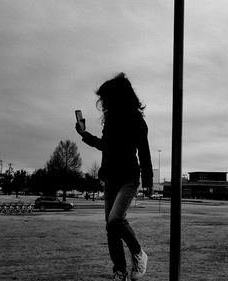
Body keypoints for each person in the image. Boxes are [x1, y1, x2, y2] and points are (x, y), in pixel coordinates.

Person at [76, 73, 153, 281]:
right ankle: (119, 271)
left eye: (107, 98)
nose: (104, 103)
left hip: (129, 177)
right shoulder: (110, 120)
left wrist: (148, 181)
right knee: (111, 228)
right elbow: (105, 146)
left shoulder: (136, 120)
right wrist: (84, 135)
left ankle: (138, 253)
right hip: (111, 177)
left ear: (118, 96)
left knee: (116, 218)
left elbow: (144, 152)